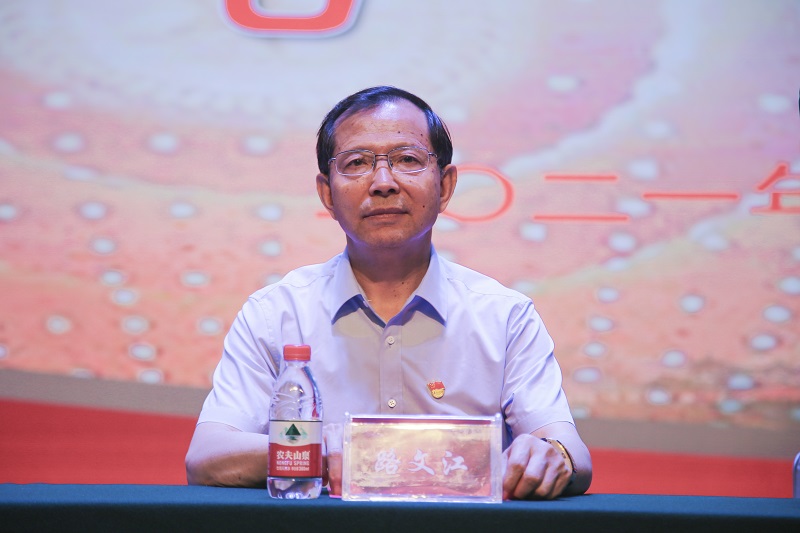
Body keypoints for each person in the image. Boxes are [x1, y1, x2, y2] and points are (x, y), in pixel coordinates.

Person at [185, 86, 592, 499]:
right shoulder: (276, 313)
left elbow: (570, 451)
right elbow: (208, 456)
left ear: (445, 186)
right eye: (357, 163)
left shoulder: (504, 316)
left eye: (407, 160)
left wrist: (551, 454)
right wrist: (333, 454)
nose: (383, 183)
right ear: (327, 193)